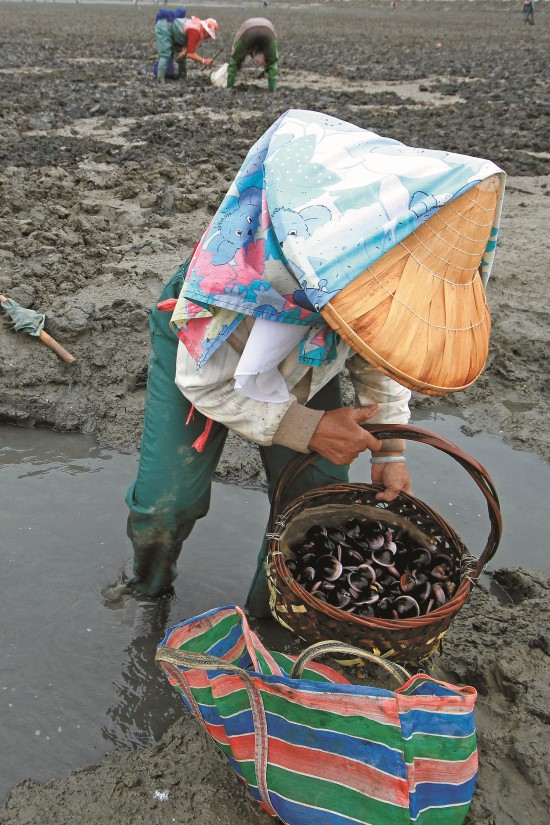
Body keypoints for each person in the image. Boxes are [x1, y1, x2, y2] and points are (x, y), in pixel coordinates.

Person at [123, 110, 504, 618]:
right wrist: (309, 428)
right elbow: (207, 385)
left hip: (310, 356)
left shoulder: (390, 245)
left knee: (316, 505)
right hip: (208, 338)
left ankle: (269, 622)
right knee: (164, 505)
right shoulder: (246, 278)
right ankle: (148, 590)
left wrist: (390, 451)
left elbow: (384, 348)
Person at [155, 13, 218, 83]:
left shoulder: (198, 26)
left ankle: (182, 77)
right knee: (166, 55)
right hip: (164, 28)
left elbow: (187, 38)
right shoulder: (195, 31)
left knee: (182, 55)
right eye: (209, 35)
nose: (208, 37)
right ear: (205, 30)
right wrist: (204, 61)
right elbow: (190, 54)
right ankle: (160, 79)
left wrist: (184, 50)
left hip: (176, 32)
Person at [226, 17, 278, 92]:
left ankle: (228, 87)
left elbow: (234, 55)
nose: (258, 63)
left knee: (234, 61)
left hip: (248, 30)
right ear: (254, 52)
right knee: (272, 63)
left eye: (257, 61)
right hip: (267, 31)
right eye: (257, 61)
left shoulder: (248, 45)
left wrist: (237, 61)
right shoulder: (268, 46)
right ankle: (272, 90)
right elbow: (273, 63)